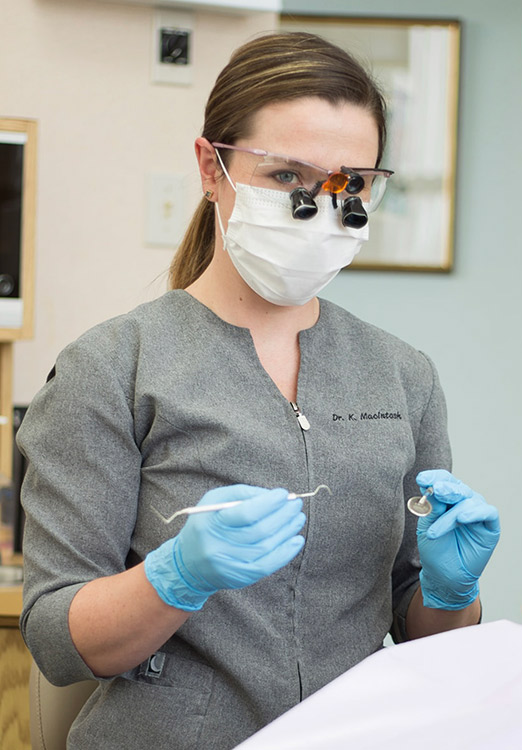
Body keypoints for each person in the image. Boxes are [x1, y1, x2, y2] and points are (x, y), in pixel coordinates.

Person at [19, 32, 500, 750]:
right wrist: (174, 577)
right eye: (286, 176)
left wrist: (450, 594)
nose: (321, 208)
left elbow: (419, 626)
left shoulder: (402, 374)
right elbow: (57, 641)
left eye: (351, 183)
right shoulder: (113, 368)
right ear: (211, 168)